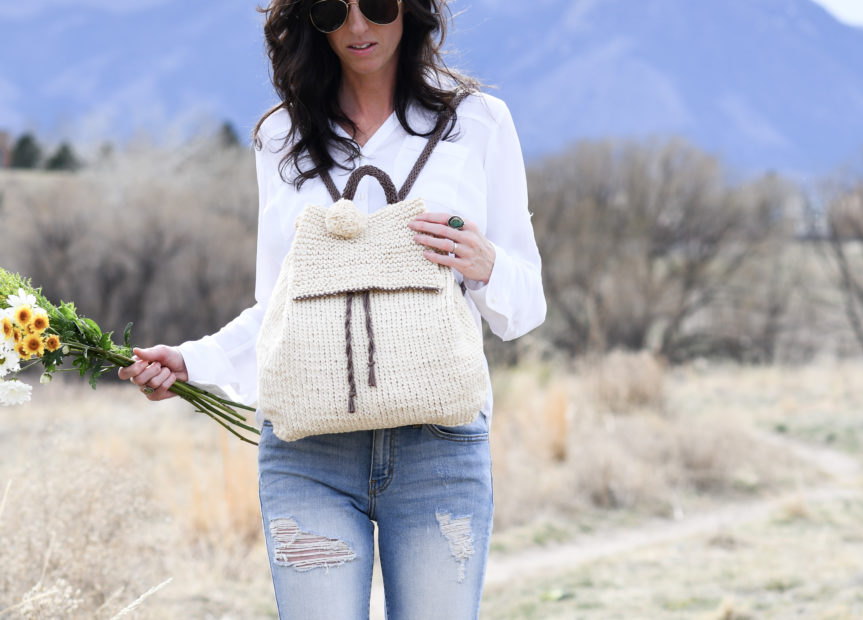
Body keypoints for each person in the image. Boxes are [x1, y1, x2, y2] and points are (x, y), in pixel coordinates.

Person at [116, 0, 545, 617]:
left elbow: (524, 306)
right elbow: (280, 309)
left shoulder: (477, 124)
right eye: (329, 11)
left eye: (377, 4)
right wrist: (192, 361)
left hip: (439, 447)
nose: (358, 27)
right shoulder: (280, 138)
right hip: (308, 453)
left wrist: (486, 264)